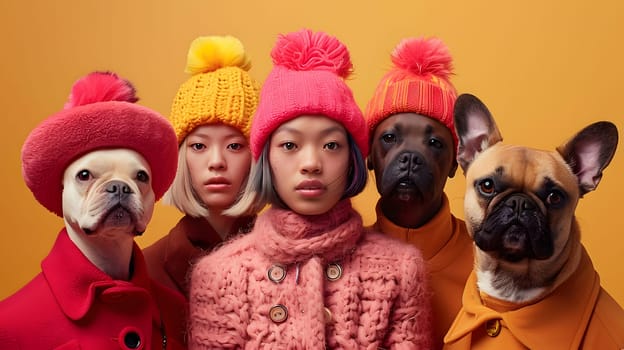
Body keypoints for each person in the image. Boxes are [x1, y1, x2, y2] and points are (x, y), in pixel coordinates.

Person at [187, 28, 433, 349]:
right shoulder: (219, 275)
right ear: (267, 159)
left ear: (352, 159)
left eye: (331, 145)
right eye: (290, 144)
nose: (311, 163)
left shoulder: (400, 270)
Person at [0, 71, 184, 349]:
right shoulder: (11, 324)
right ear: (61, 189)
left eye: (139, 177)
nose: (118, 189)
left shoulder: (176, 311)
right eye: (86, 176)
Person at [364, 37, 473, 349]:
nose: (410, 156)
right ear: (369, 155)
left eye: (434, 143)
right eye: (389, 138)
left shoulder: (488, 262)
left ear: (456, 163)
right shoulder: (344, 258)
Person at [143, 34, 259, 295]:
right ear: (180, 157)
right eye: (198, 146)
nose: (216, 162)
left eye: (235, 146)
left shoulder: (290, 258)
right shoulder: (145, 268)